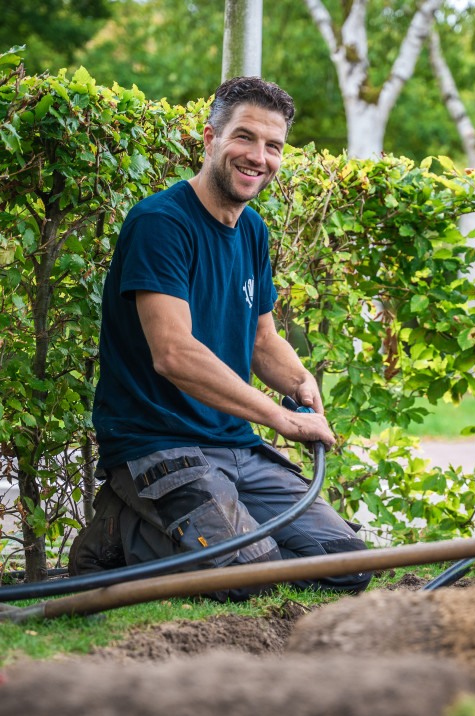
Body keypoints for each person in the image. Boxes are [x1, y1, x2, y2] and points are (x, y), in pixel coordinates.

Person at [69, 77, 371, 599]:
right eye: (244, 137)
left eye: (273, 145)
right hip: (159, 445)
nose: (258, 157)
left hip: (235, 446)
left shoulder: (252, 230)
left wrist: (299, 382)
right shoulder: (160, 224)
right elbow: (174, 354)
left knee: (348, 566)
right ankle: (116, 539)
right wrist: (280, 418)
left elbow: (261, 340)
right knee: (250, 579)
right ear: (210, 139)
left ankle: (182, 534)